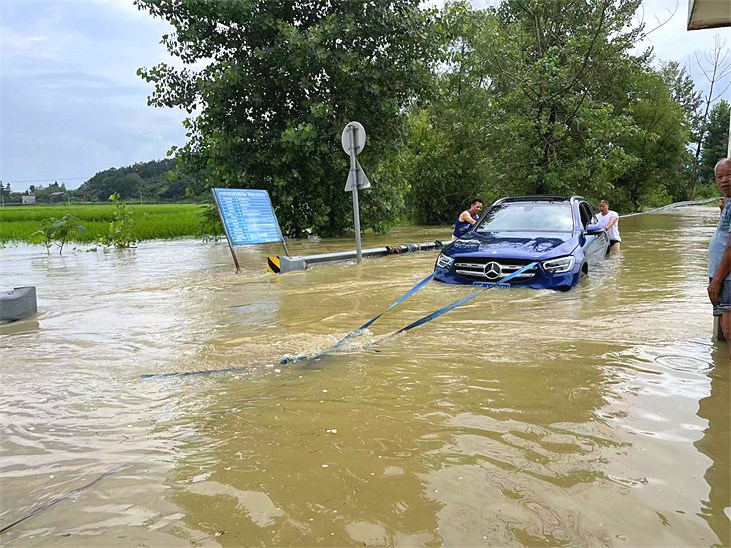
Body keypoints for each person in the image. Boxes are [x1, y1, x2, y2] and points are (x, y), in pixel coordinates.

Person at [708, 157, 731, 352]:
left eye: (729, 175)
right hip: (721, 273)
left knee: (729, 329)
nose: (724, 180)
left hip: (726, 276)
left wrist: (717, 280)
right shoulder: (729, 202)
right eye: (720, 176)